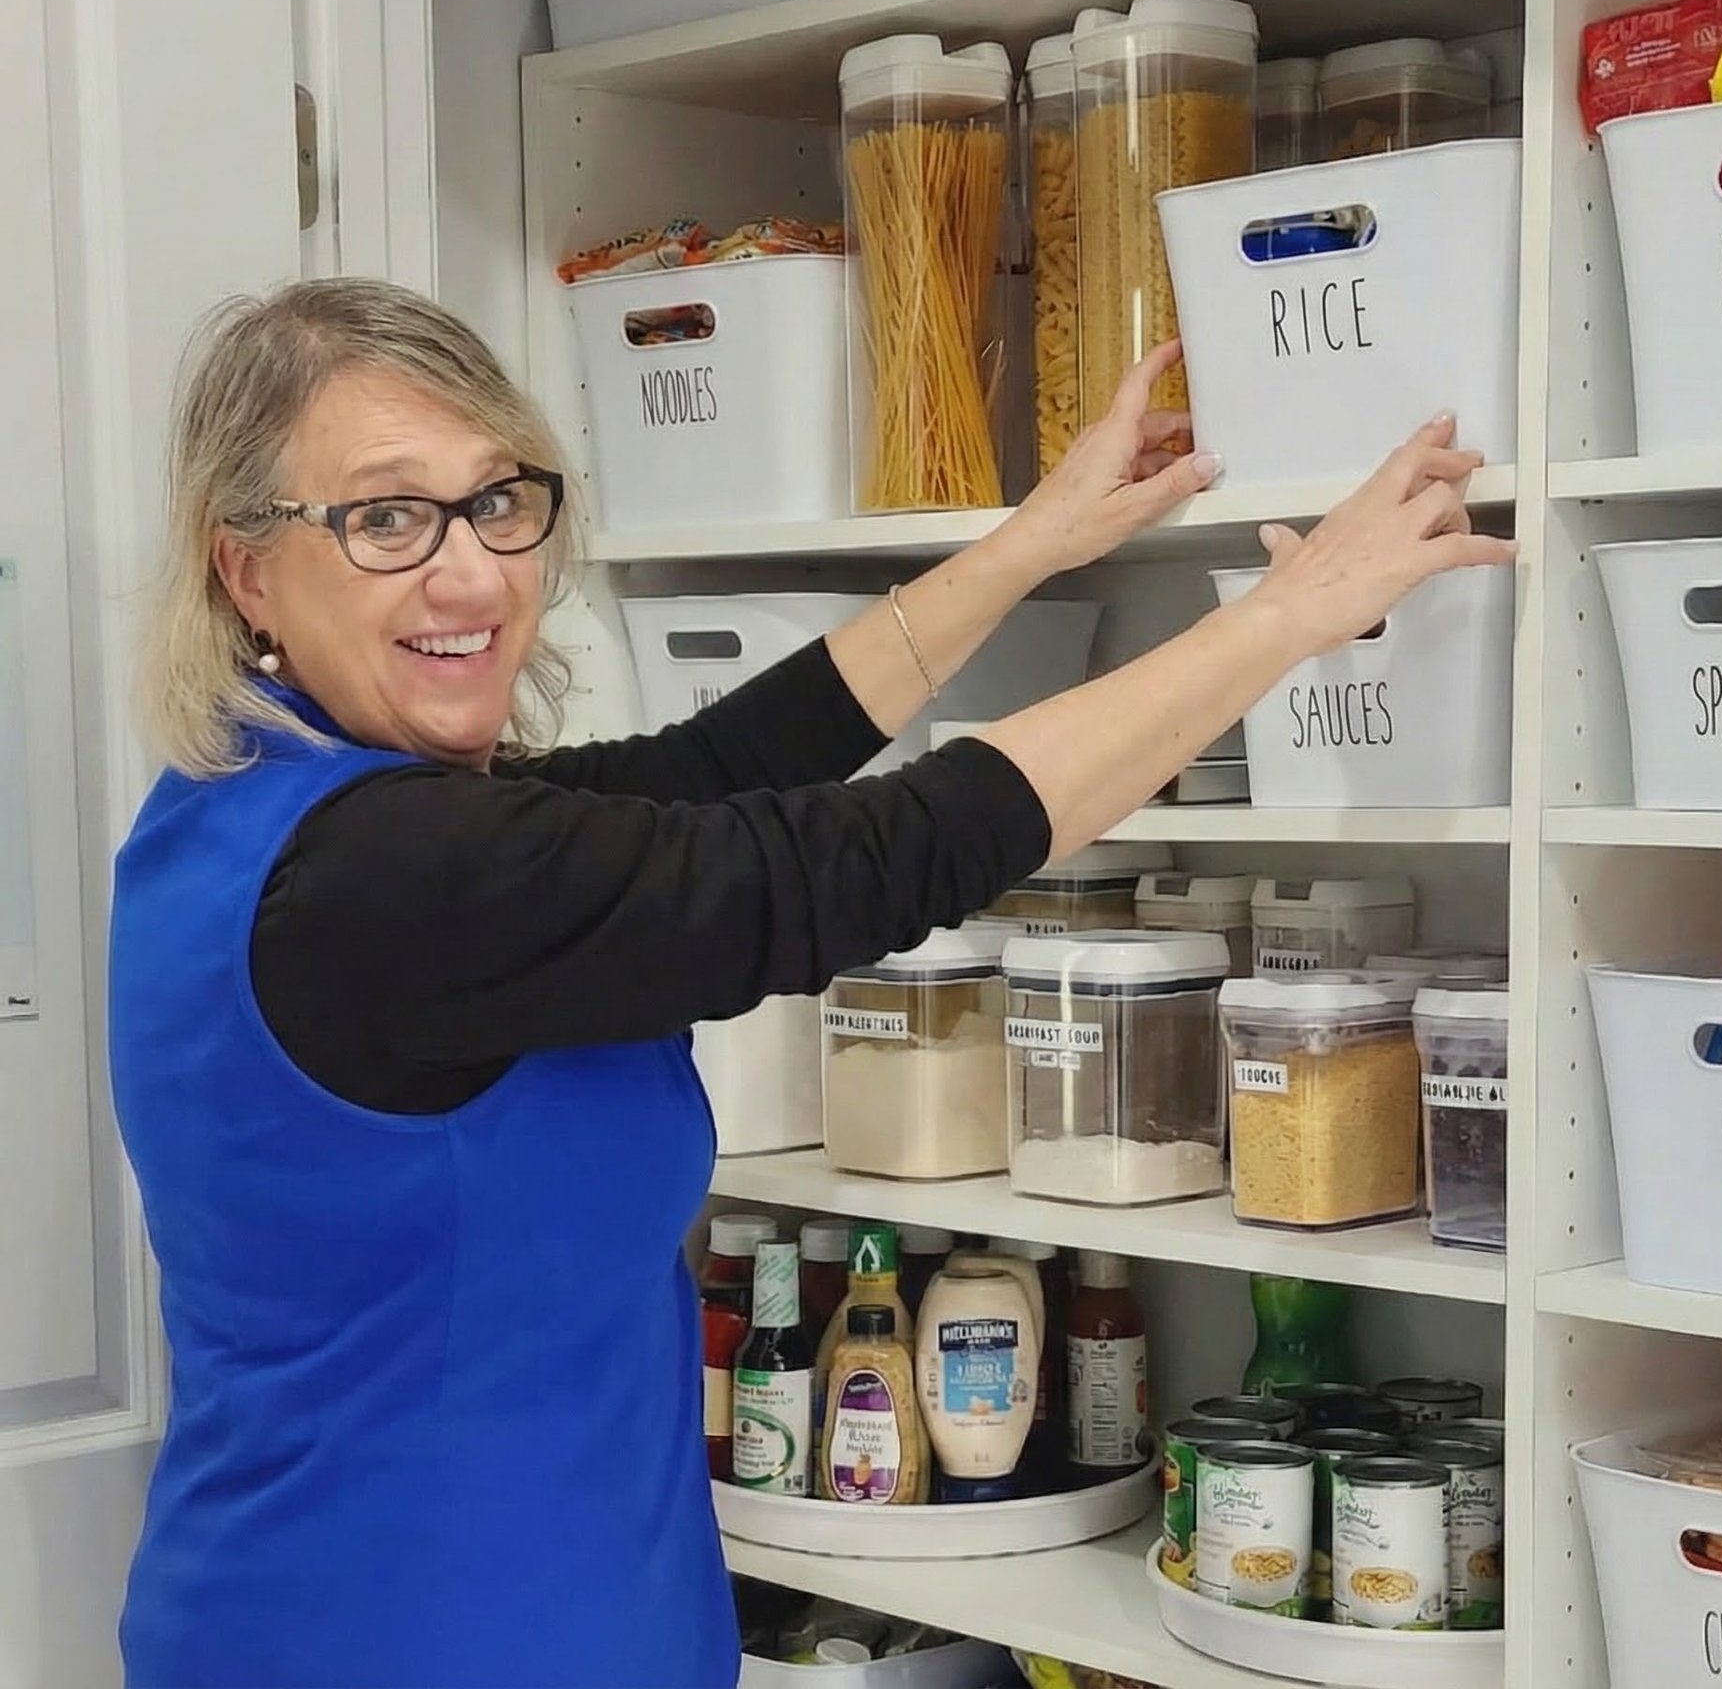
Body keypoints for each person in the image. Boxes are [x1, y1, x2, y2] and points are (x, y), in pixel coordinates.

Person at [108, 277, 1512, 1689]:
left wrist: (1028, 549)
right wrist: (1281, 620)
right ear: (246, 570)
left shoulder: (251, 814)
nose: (472, 575)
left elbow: (716, 774)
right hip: (410, 1640)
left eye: (496, 502)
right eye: (385, 518)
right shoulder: (388, 875)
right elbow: (848, 861)